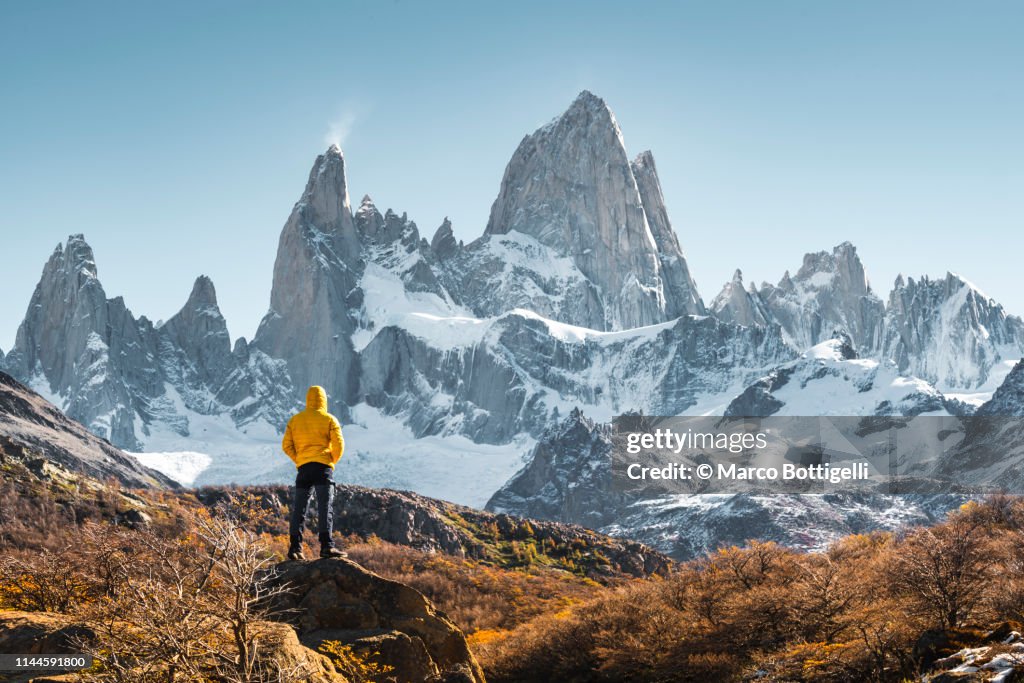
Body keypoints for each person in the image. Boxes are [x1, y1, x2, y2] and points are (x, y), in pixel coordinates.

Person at [283, 385, 346, 560]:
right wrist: (331, 461)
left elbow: (286, 446)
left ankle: (295, 549)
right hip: (323, 468)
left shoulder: (295, 420)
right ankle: (327, 547)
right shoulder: (329, 419)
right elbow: (339, 445)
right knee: (325, 507)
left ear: (307, 399)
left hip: (303, 469)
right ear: (324, 399)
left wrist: (300, 460)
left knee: (299, 509)